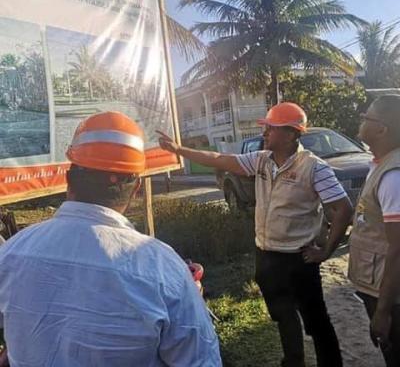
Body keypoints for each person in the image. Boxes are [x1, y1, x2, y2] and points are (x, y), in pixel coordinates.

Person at [0, 111, 221, 367]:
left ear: (69, 180)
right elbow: (201, 361)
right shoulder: (164, 268)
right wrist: (187, 296)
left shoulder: (13, 253)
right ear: (136, 189)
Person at [158, 102, 353, 367]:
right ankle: (293, 362)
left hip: (299, 259)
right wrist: (180, 150)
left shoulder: (314, 168)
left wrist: (327, 250)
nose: (265, 133)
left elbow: (343, 209)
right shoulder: (261, 160)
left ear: (291, 133)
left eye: (271, 129)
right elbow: (220, 159)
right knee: (282, 314)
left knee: (316, 321)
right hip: (266, 255)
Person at [348, 95, 400, 367]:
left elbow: (398, 249)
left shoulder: (393, 176)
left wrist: (382, 312)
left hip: (390, 296)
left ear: (382, 129)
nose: (362, 120)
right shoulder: (380, 164)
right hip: (378, 284)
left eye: (367, 117)